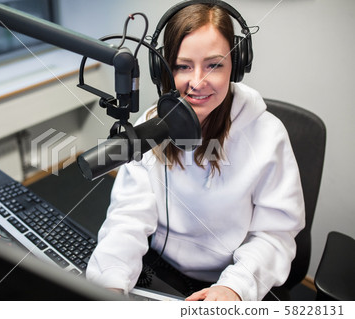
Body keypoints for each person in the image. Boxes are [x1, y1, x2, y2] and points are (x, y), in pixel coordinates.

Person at [86, 2, 305, 301]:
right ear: (163, 68)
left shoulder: (268, 135)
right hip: (158, 271)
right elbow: (127, 219)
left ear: (236, 67)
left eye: (214, 65)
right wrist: (108, 285)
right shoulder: (151, 127)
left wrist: (234, 287)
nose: (197, 81)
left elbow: (275, 235)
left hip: (232, 279)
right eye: (182, 66)